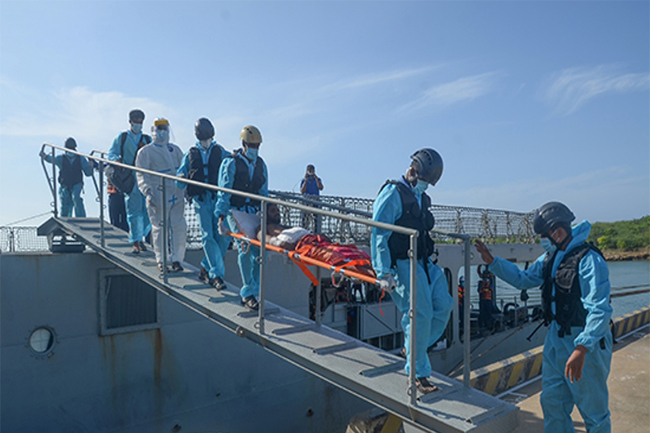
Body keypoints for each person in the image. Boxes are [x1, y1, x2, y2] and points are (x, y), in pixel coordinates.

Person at [475, 202, 612, 433]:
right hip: (556, 341)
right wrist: (493, 262)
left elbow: (599, 309)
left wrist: (582, 348)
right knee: (552, 403)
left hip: (585, 344)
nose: (543, 241)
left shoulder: (589, 260)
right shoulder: (551, 257)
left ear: (558, 231)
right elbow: (524, 278)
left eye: (544, 236)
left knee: (594, 412)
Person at [371, 148, 454, 394]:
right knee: (420, 314)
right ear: (415, 172)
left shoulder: (420, 197)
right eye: (426, 181)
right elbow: (378, 233)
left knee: (444, 306)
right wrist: (383, 271)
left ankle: (413, 347)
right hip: (401, 263)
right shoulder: (393, 193)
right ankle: (417, 374)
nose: (426, 186)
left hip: (423, 261)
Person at [215, 125, 268, 311]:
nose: (255, 149)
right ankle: (247, 294)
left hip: (252, 213)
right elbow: (224, 192)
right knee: (244, 247)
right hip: (234, 211)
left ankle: (255, 288)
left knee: (261, 253)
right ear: (244, 144)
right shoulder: (231, 163)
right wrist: (221, 217)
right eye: (252, 145)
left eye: (257, 145)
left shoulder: (261, 165)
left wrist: (265, 212)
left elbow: (263, 192)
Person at [176, 118, 230, 290]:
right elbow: (180, 176)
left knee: (223, 237)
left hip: (217, 198)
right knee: (207, 235)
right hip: (201, 200)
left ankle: (206, 267)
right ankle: (216, 275)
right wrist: (181, 178)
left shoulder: (221, 152)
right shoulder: (190, 153)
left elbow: (231, 168)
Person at [135, 118, 186, 274]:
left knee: (179, 227)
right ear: (153, 130)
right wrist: (147, 191)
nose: (163, 131)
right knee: (159, 228)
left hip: (176, 193)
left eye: (165, 128)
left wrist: (184, 184)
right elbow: (142, 173)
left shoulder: (175, 150)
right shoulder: (146, 152)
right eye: (160, 128)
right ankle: (162, 260)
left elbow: (183, 169)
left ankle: (177, 259)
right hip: (157, 194)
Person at [108, 109, 152, 254]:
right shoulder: (122, 137)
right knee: (133, 211)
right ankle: (136, 240)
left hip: (145, 178)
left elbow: (153, 155)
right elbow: (112, 153)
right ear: (130, 122)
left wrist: (144, 149)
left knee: (147, 212)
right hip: (130, 178)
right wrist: (116, 160)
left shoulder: (146, 139)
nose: (138, 125)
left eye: (140, 122)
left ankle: (142, 236)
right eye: (136, 122)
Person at [40, 137, 93, 217]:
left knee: (76, 197)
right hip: (65, 184)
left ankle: (81, 217)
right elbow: (52, 159)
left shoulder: (80, 158)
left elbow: (88, 173)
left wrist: (91, 166)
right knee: (65, 202)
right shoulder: (61, 158)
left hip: (77, 183)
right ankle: (64, 219)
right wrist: (45, 156)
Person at [300, 164, 324, 230]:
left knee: (316, 219)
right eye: (309, 171)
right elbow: (302, 191)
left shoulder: (317, 179)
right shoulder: (303, 180)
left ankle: (316, 232)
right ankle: (305, 231)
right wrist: (306, 180)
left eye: (312, 171)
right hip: (306, 201)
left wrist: (315, 177)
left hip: (315, 201)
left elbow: (321, 187)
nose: (310, 172)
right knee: (305, 220)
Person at [477, 266, 495, 332]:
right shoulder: (481, 283)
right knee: (482, 313)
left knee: (489, 313)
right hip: (482, 300)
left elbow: (492, 289)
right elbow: (479, 290)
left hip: (488, 300)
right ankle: (481, 325)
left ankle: (489, 325)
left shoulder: (490, 284)